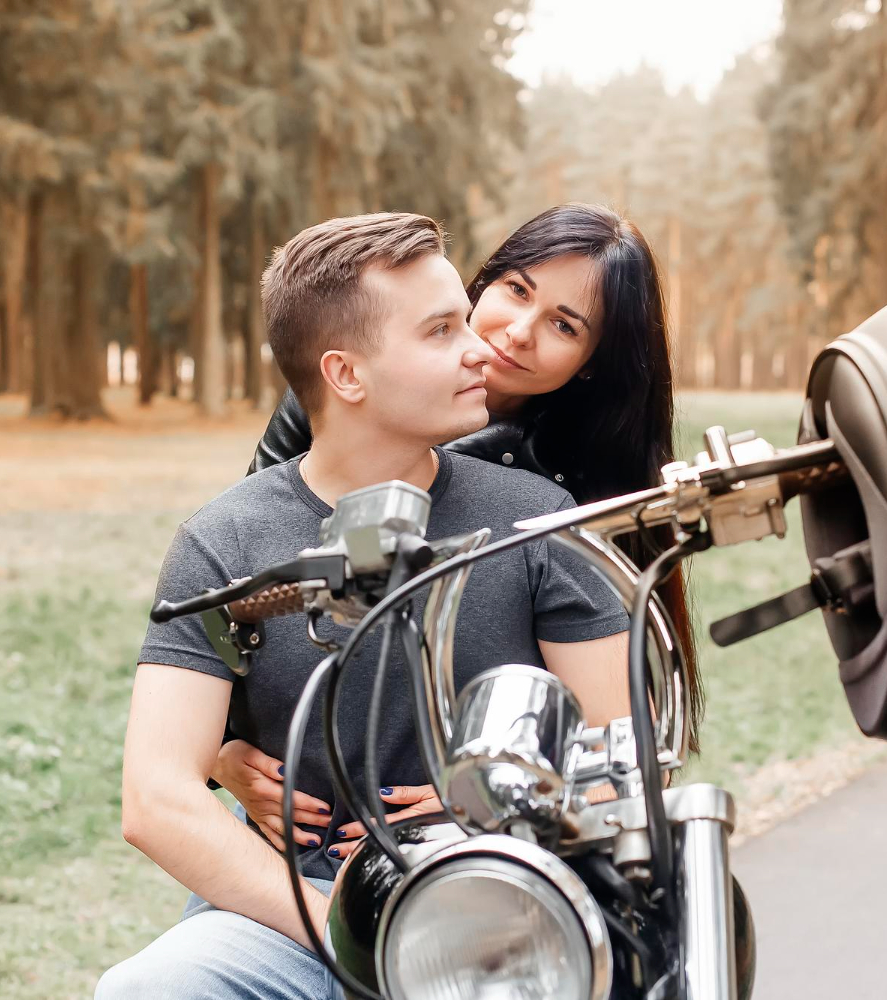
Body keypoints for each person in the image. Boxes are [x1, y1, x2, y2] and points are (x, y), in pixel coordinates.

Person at [96, 212, 632, 999]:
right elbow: (156, 797)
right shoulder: (223, 539)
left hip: (501, 924)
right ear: (346, 375)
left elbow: (616, 763)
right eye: (442, 331)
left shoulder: (541, 518)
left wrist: (507, 814)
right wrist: (341, 931)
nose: (481, 347)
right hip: (294, 916)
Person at [212, 203, 703, 856]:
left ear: (591, 362)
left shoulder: (565, 489)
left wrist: (492, 797)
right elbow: (251, 574)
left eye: (564, 324)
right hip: (308, 825)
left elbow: (624, 735)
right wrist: (225, 752)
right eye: (516, 290)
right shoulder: (349, 389)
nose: (519, 331)